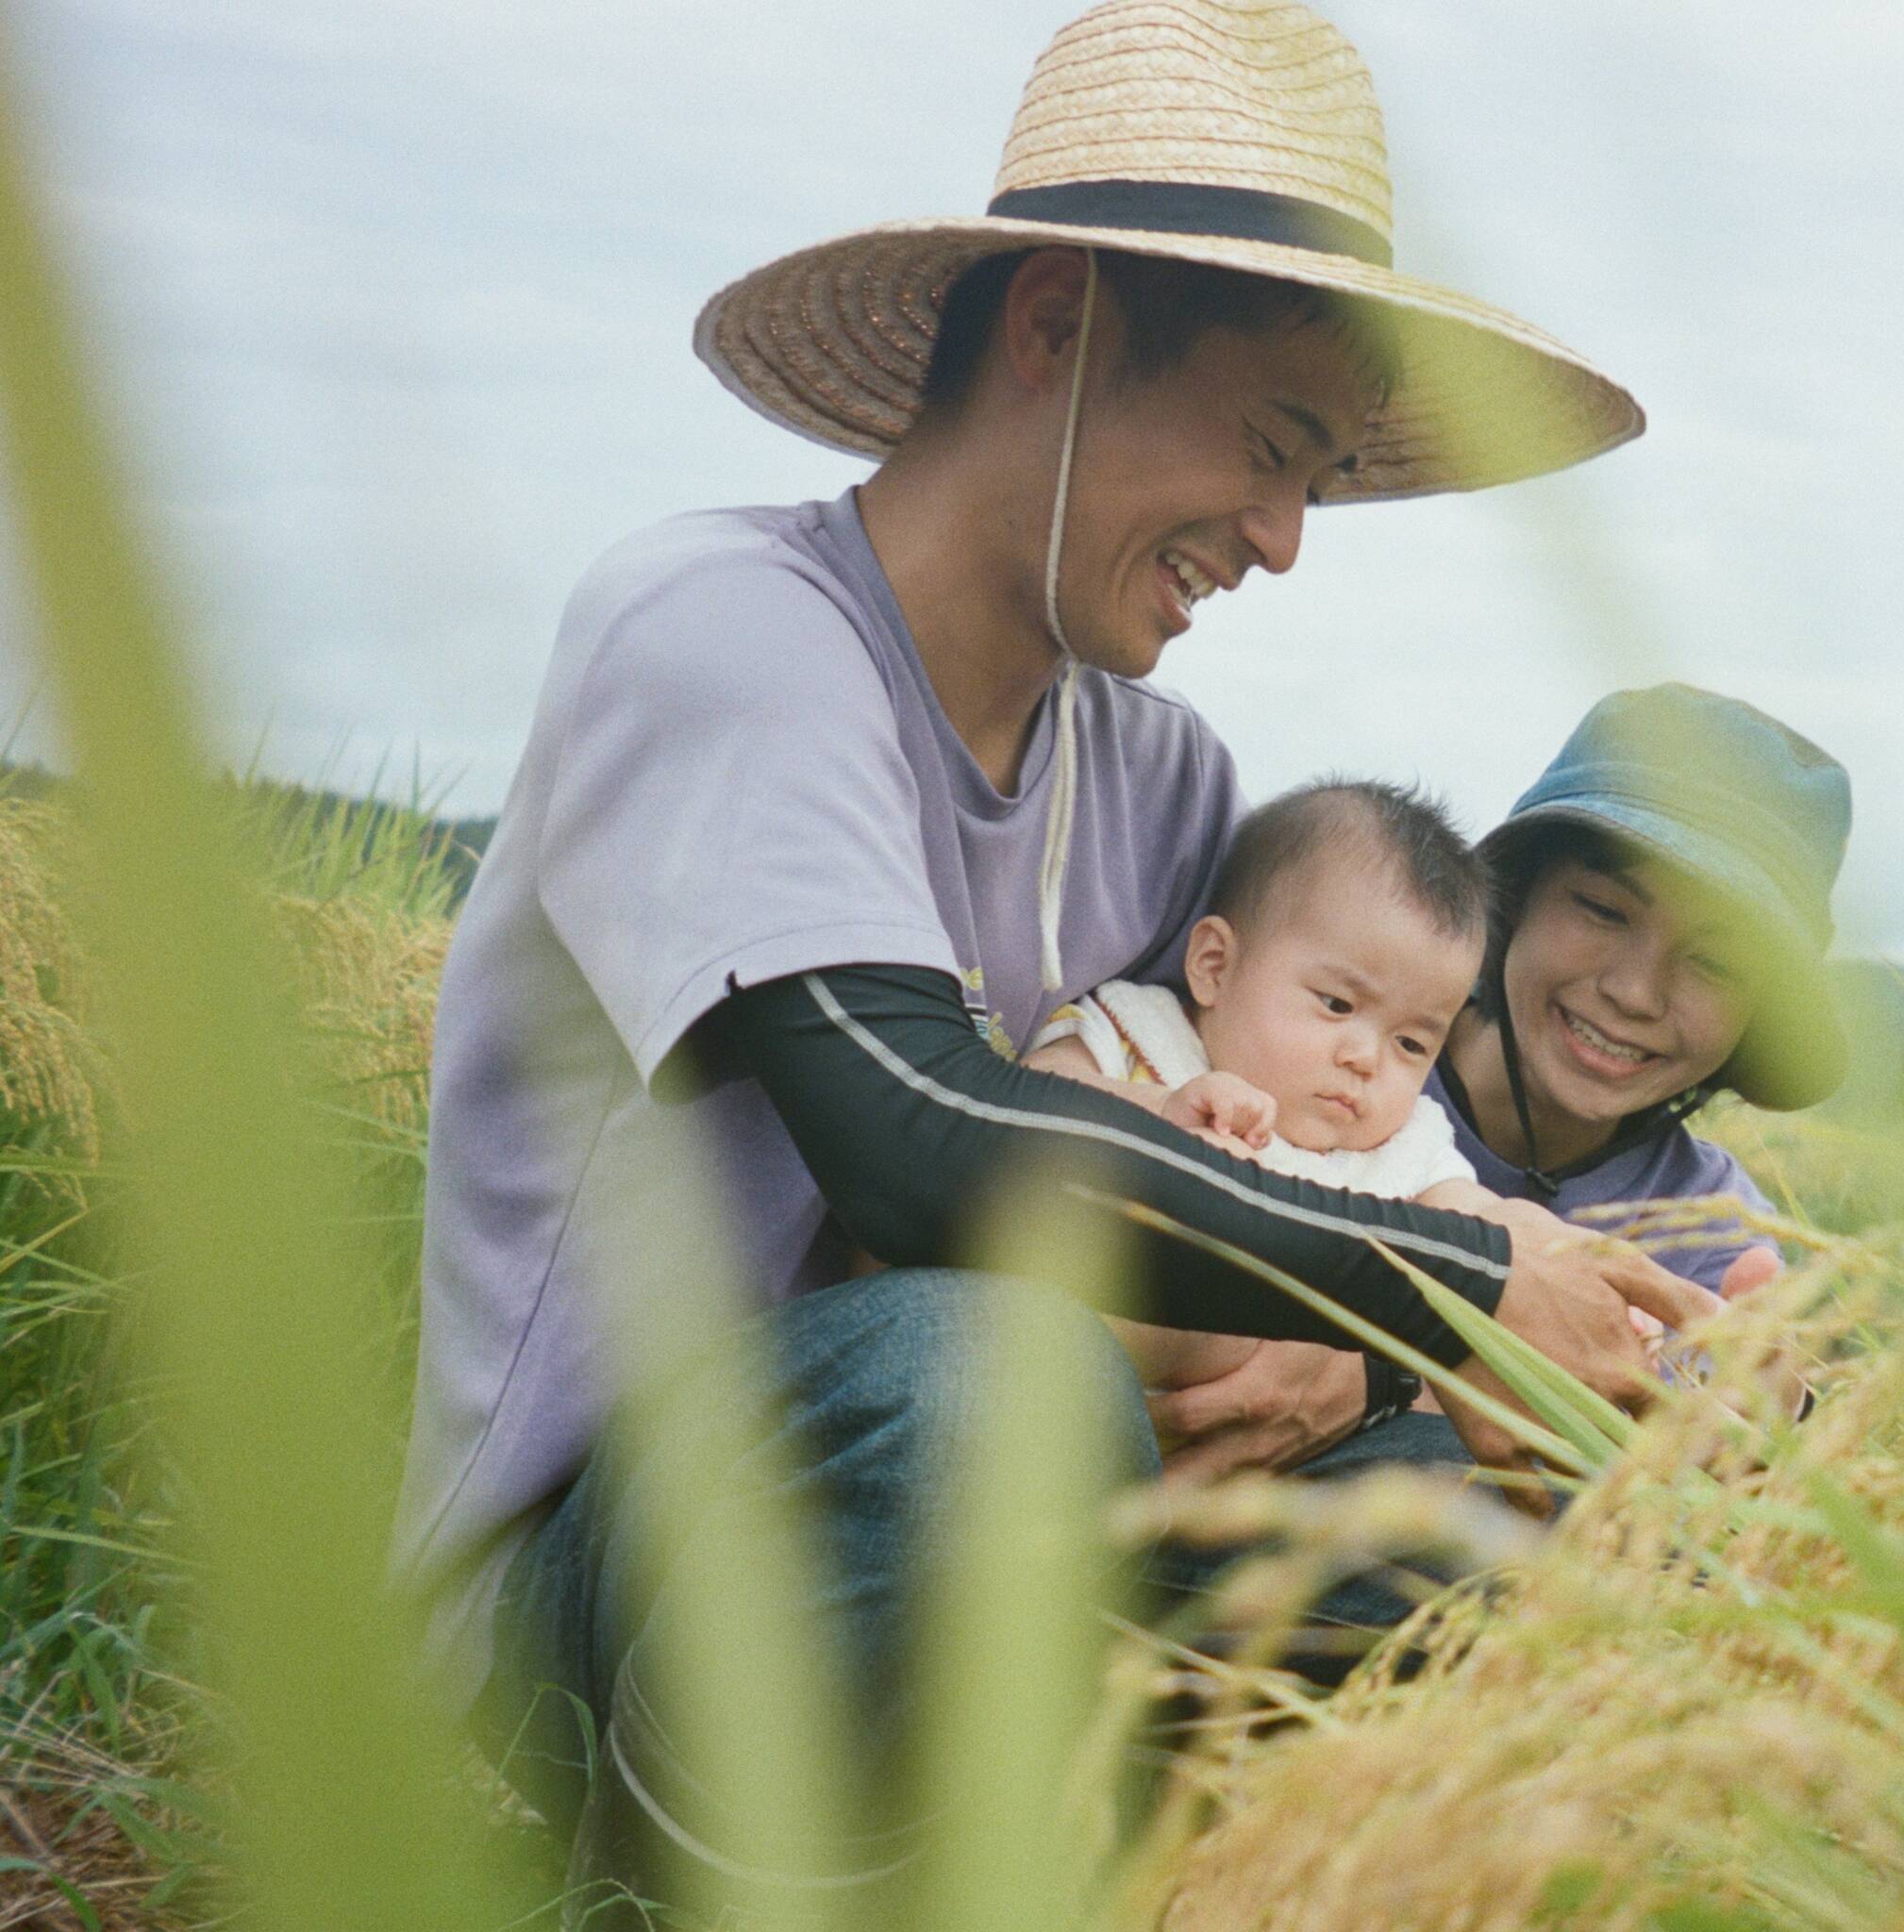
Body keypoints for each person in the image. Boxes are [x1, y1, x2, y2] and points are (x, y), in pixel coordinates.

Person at [388, 0, 1712, 1897]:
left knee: (1470, 1535)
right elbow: (914, 1139)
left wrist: (1347, 1364)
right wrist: (1442, 1284)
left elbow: (1296, 1167)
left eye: (1316, 481)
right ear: (1054, 327)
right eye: (1266, 448)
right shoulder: (724, 635)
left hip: (1039, 1525)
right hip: (606, 1581)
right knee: (987, 1381)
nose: (1274, 541)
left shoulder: (1166, 779)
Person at [1144, 684, 1854, 1486]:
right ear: (1511, 903)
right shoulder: (1317, 1063)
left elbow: (1723, 1463)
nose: (1634, 992)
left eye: (1715, 963)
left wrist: (1778, 1423)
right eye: (1601, 910)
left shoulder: (1709, 1237)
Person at [1024, 778, 1580, 1392]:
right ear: (1215, 966)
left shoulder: (1401, 1149)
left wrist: (1556, 1251)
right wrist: (1157, 1110)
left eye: (1412, 1044)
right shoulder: (1140, 1037)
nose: (1366, 1058)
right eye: (1337, 1004)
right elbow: (1035, 1092)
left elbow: (1480, 1221)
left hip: (1279, 1435)